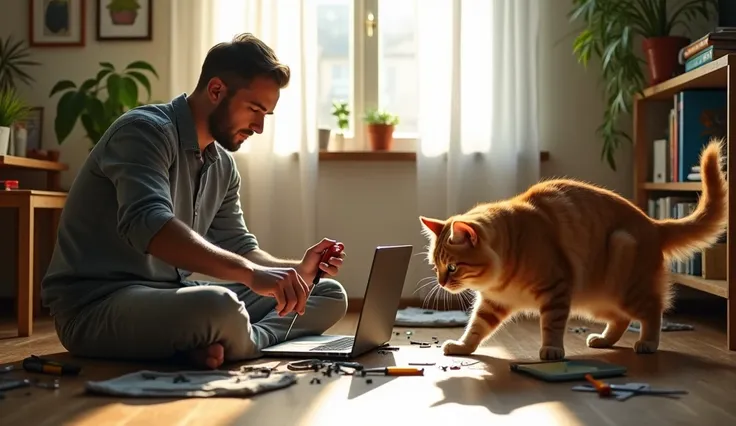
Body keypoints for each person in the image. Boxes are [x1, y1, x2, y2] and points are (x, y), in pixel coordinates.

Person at [41, 33, 349, 369]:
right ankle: (239, 339)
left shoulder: (223, 165)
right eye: (254, 110)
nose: (259, 127)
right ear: (216, 90)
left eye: (267, 115)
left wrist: (297, 270)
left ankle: (233, 339)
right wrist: (250, 274)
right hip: (95, 306)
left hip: (168, 294)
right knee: (219, 306)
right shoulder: (143, 132)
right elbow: (150, 226)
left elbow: (242, 248)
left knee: (328, 294)